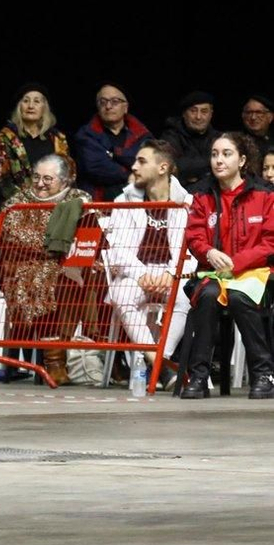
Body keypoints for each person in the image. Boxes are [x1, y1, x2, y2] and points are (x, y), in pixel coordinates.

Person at [179, 132, 273, 399]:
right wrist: (208, 253)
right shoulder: (201, 196)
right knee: (207, 296)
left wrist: (237, 262)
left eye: (226, 154)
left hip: (256, 273)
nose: (218, 160)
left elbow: (270, 243)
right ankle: (199, 377)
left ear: (242, 160)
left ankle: (263, 374)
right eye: (214, 154)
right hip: (214, 273)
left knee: (239, 297)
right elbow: (194, 237)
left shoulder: (265, 196)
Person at [0, 155, 91, 386]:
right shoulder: (16, 204)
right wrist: (54, 250)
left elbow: (90, 237)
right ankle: (55, 361)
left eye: (48, 179)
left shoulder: (80, 201)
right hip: (21, 270)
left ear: (65, 181)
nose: (39, 184)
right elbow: (14, 242)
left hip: (69, 266)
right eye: (36, 177)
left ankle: (96, 358)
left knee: (94, 279)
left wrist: (68, 259)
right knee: (43, 282)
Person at [102, 141, 190, 386]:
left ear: (163, 168)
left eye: (142, 161)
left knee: (185, 297)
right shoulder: (124, 200)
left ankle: (159, 361)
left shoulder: (188, 202)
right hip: (136, 273)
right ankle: (161, 365)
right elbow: (117, 249)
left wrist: (172, 274)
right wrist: (142, 274)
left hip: (172, 273)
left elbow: (193, 253)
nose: (133, 167)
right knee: (121, 294)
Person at [71, 82, 151, 201]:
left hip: (139, 198)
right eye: (103, 102)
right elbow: (95, 167)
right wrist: (131, 174)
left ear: (125, 107)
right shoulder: (86, 135)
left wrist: (115, 155)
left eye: (115, 101)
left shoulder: (142, 134)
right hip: (99, 203)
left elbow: (151, 163)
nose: (108, 106)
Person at [0, 83, 73, 201]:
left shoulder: (58, 138)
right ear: (19, 107)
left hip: (55, 202)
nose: (30, 106)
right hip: (20, 205)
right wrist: (28, 202)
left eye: (36, 101)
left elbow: (67, 174)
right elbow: (3, 180)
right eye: (26, 101)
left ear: (44, 107)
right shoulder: (6, 137)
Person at [159, 91, 219, 193]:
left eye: (204, 111)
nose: (198, 117)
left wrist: (193, 173)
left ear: (211, 114)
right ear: (184, 114)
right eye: (193, 111)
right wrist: (210, 166)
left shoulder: (219, 138)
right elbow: (173, 166)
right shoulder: (170, 136)